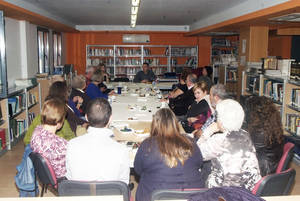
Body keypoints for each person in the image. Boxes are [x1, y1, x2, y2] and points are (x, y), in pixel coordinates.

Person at [134, 108, 204, 201]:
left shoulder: (148, 144)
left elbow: (138, 170)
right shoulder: (190, 141)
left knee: (143, 180)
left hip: (157, 196)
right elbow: (199, 163)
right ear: (175, 123)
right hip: (192, 196)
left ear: (154, 124)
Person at [197, 99, 261, 191]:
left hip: (224, 192)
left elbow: (196, 155)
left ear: (221, 120)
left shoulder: (219, 140)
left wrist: (207, 133)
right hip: (249, 190)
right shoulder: (245, 135)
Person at [66, 98, 130, 183]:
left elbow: (69, 177)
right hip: (111, 195)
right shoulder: (121, 149)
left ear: (86, 118)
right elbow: (124, 182)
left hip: (80, 195)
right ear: (110, 119)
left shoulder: (72, 144)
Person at [244, 96, 284, 177]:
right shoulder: (272, 127)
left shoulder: (259, 133)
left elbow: (245, 149)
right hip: (270, 166)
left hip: (261, 171)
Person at [30, 98, 68, 178]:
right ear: (59, 123)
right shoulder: (60, 144)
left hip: (45, 175)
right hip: (62, 179)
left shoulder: (36, 131)